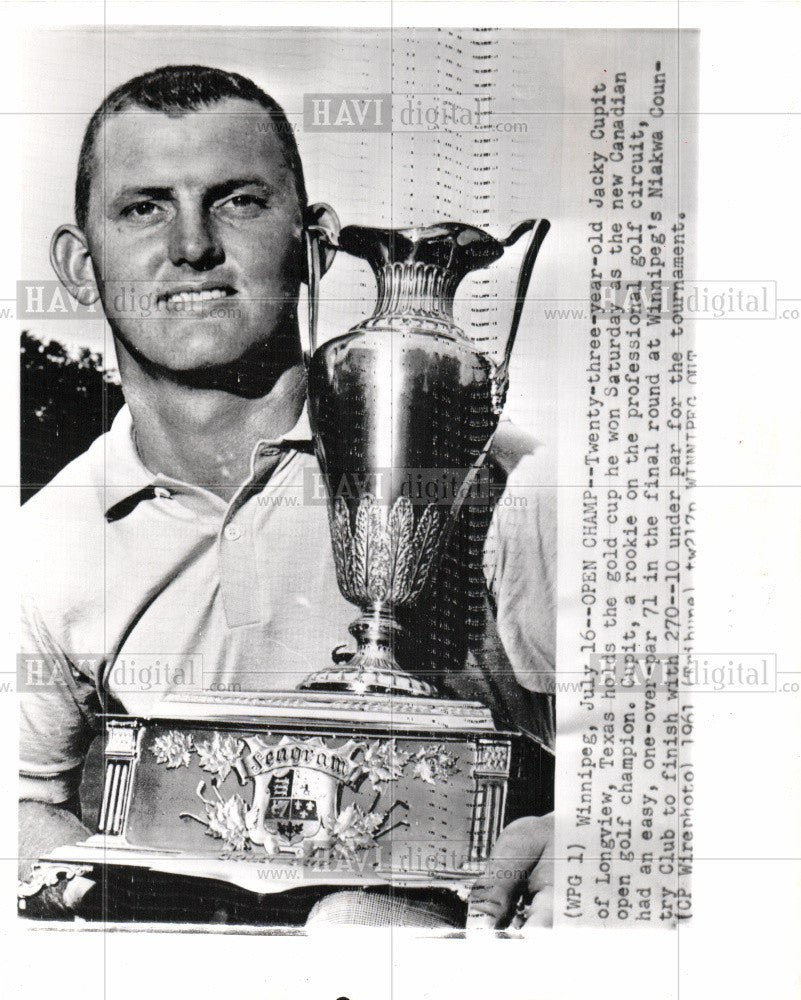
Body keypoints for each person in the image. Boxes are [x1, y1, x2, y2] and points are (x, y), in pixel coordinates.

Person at [19, 65, 555, 928]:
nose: (191, 246)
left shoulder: (495, 483)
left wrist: (575, 836)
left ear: (312, 247)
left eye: (236, 201)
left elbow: (664, 762)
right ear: (80, 268)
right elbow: (23, 804)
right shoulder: (42, 545)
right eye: (143, 207)